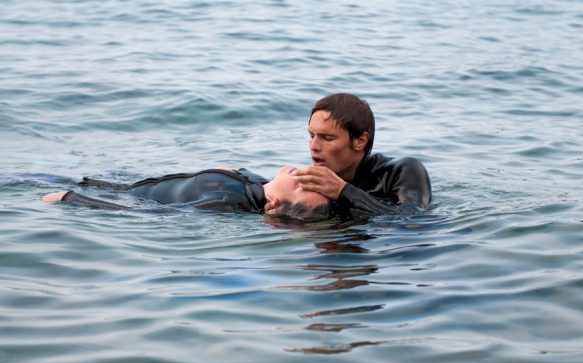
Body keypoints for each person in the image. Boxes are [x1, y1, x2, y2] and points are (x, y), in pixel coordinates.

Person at [294, 93, 432, 215]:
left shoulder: (403, 170)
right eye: (312, 136)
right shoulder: (320, 184)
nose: (313, 146)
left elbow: (413, 220)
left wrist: (343, 191)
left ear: (360, 141)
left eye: (327, 138)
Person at [42, 166, 331, 221]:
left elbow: (146, 214)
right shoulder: (256, 181)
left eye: (303, 186)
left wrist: (71, 200)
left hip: (129, 195)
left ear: (275, 202)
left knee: (27, 181)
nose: (305, 176)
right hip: (131, 180)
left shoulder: (229, 204)